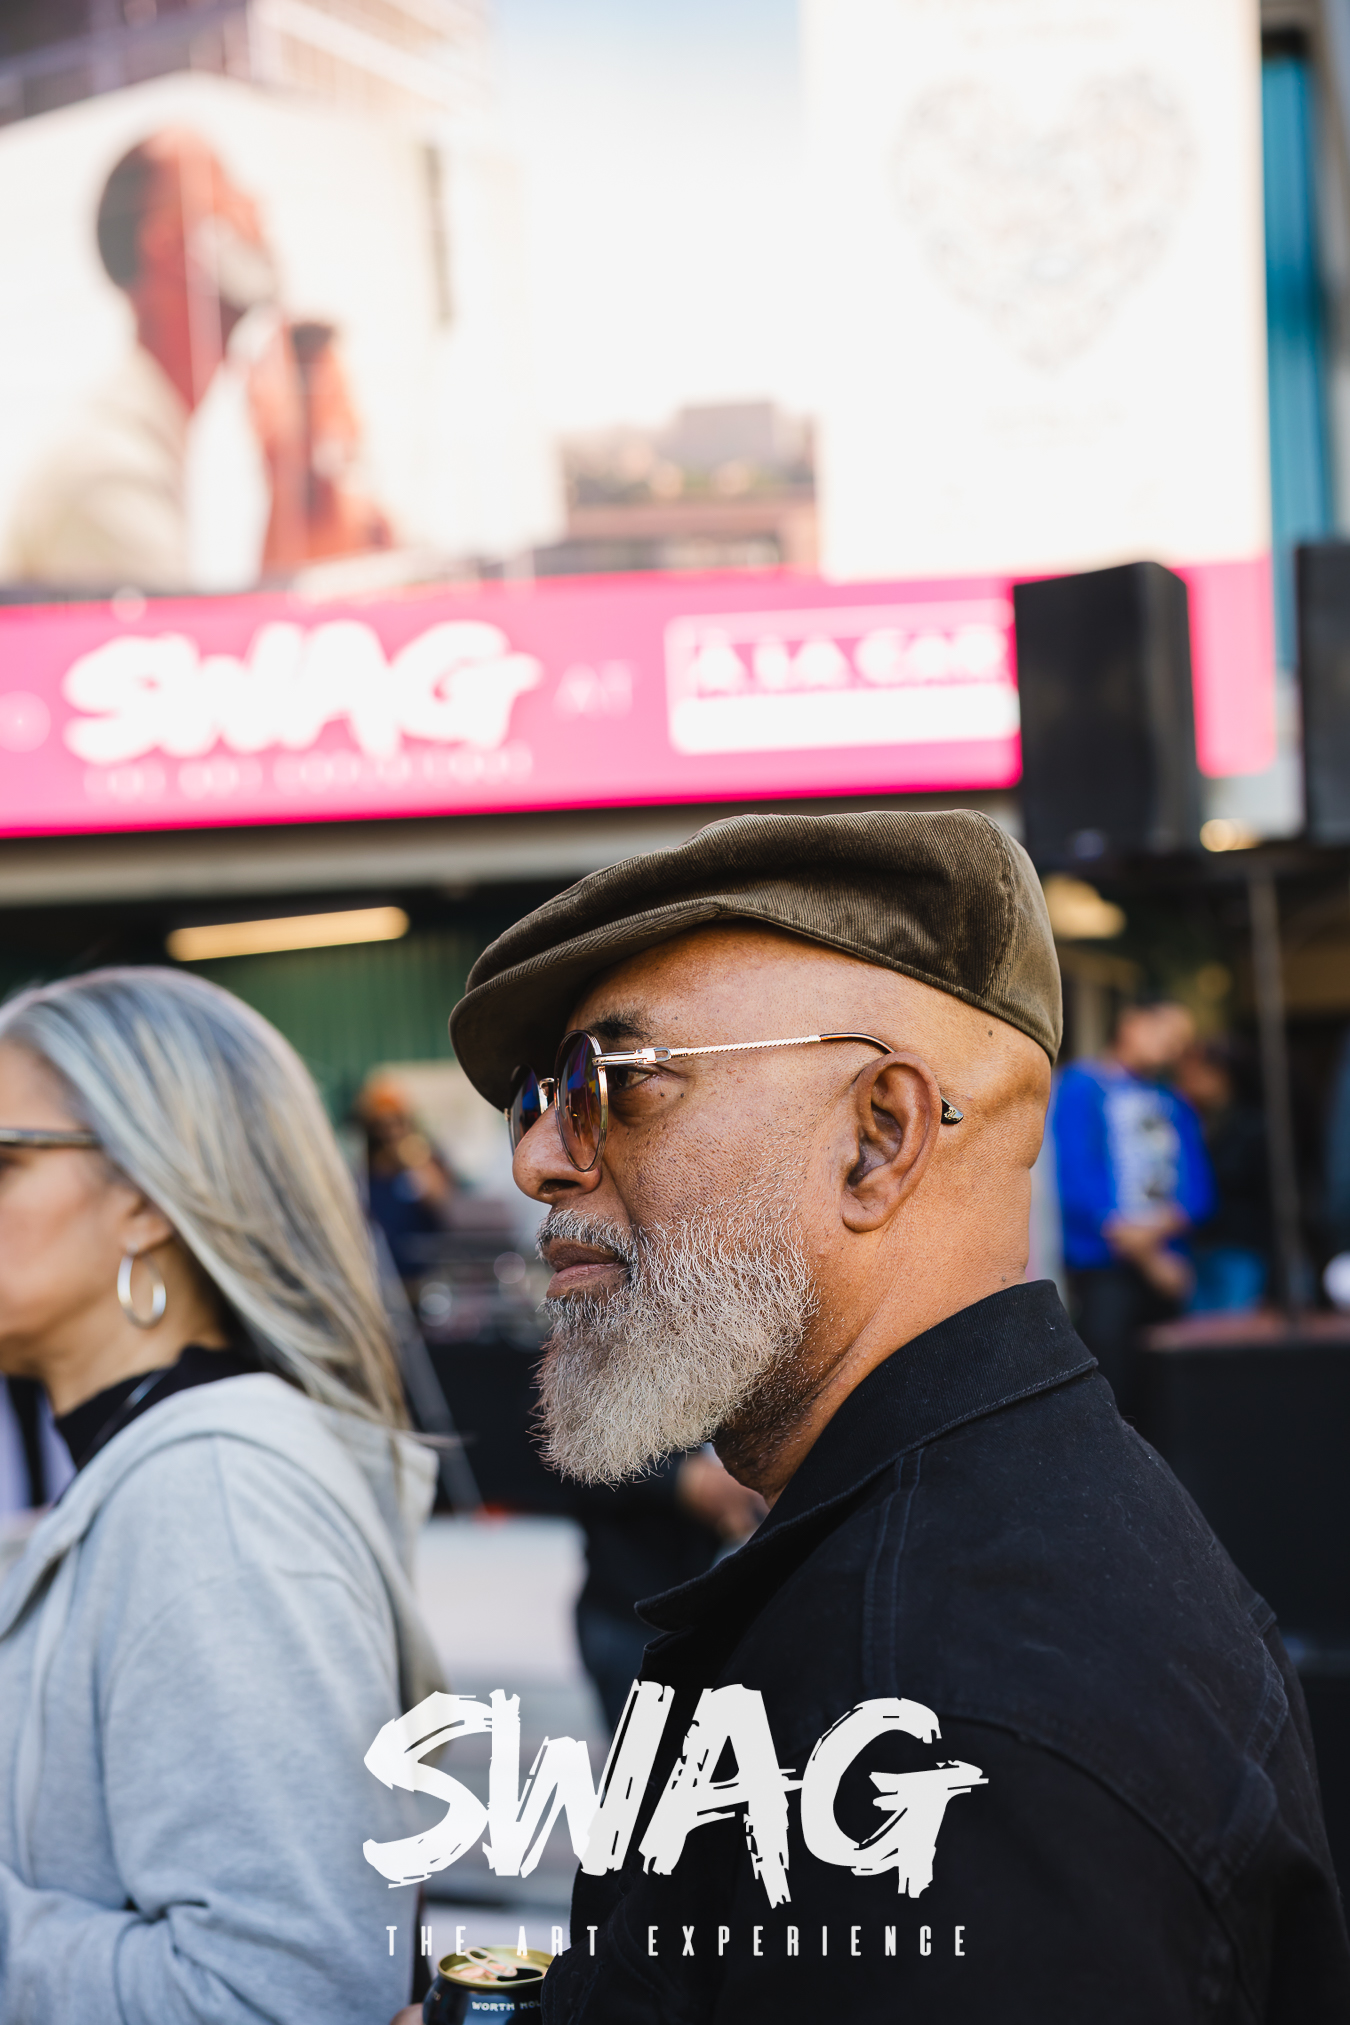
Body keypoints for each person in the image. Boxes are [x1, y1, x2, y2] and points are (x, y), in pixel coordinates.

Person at [418, 809, 1345, 2021]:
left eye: (611, 1085)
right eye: (541, 1099)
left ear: (879, 1137)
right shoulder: (964, 1563)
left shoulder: (959, 1724)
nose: (540, 1158)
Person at [0, 966, 441, 2024]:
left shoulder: (216, 1496)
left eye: (3, 1160)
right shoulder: (169, 1468)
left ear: (147, 1196)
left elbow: (282, 1995)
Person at [7, 131, 278, 590]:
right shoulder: (108, 471)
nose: (255, 207)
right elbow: (188, 636)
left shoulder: (142, 442)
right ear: (170, 248)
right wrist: (297, 494)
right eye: (226, 189)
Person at [1052, 998, 1215, 1406]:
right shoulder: (1081, 1086)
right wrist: (1148, 1255)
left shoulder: (1172, 1100)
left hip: (1168, 1267)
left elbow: (1198, 1187)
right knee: (1112, 1383)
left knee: (1164, 1391)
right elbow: (1074, 1178)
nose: (1173, 1047)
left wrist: (1163, 1230)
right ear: (1131, 1023)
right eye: (1166, 1033)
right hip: (1105, 1265)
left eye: (1181, 1041)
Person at [1173, 1036, 1272, 1313]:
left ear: (1222, 1076)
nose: (1187, 1078)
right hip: (1193, 1248)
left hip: (1239, 1249)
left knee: (1233, 1328)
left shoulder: (1251, 1127)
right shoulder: (1184, 1120)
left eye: (1198, 1071)